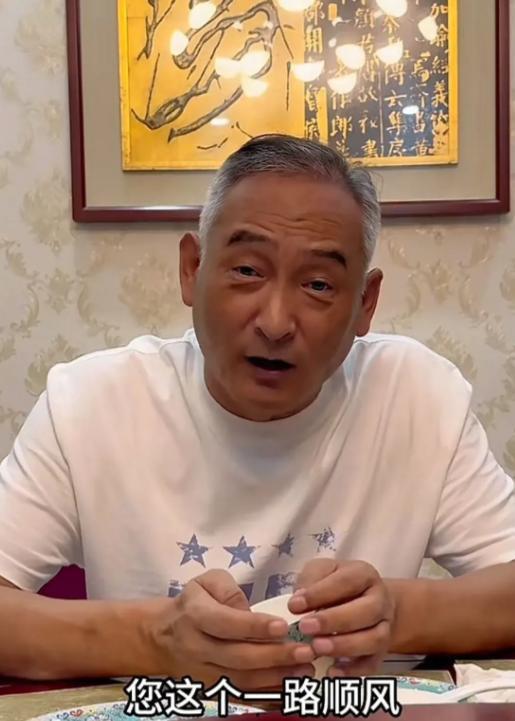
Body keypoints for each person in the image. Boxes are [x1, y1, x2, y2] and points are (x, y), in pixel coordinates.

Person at [1, 134, 515, 687]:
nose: (275, 322)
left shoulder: (417, 396)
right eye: (247, 271)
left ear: (365, 304)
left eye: (318, 284)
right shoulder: (90, 403)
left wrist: (397, 615)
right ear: (192, 269)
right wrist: (154, 640)